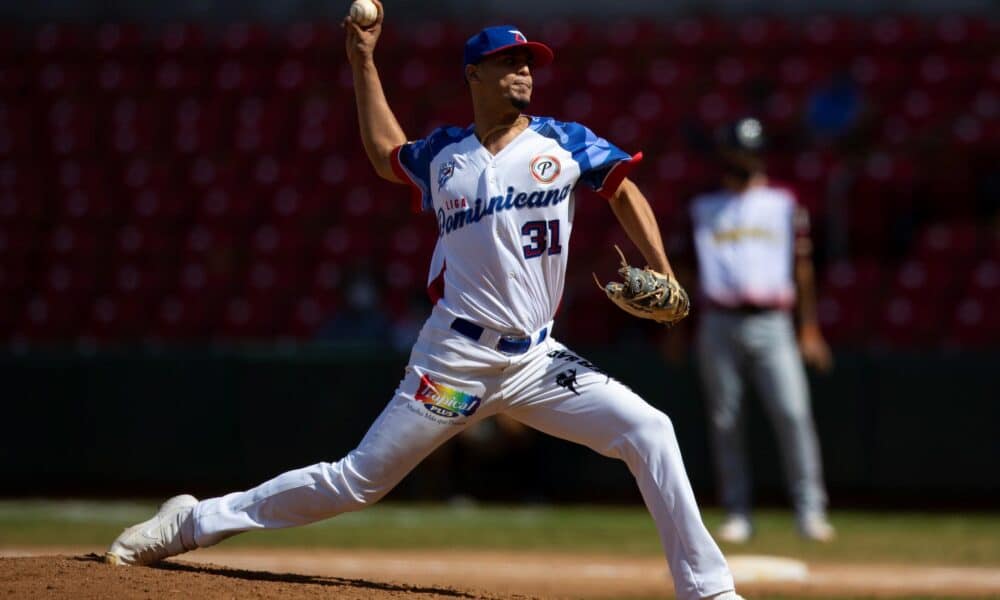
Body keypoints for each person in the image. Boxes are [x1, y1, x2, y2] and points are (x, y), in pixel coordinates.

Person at [105, 6, 743, 599]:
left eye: (530, 64)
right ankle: (193, 521)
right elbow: (386, 154)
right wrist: (362, 61)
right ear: (475, 74)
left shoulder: (563, 141)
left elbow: (623, 190)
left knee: (649, 430)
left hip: (539, 361)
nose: (524, 71)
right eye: (510, 62)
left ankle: (708, 589)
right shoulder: (445, 155)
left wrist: (660, 266)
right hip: (455, 356)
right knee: (356, 481)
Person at [689, 117, 835, 543]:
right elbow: (686, 266)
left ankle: (810, 511)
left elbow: (803, 267)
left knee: (792, 413)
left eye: (751, 151)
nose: (744, 159)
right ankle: (737, 511)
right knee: (725, 419)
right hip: (718, 319)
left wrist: (809, 327)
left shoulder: (783, 203)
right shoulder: (704, 207)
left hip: (774, 321)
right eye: (738, 151)